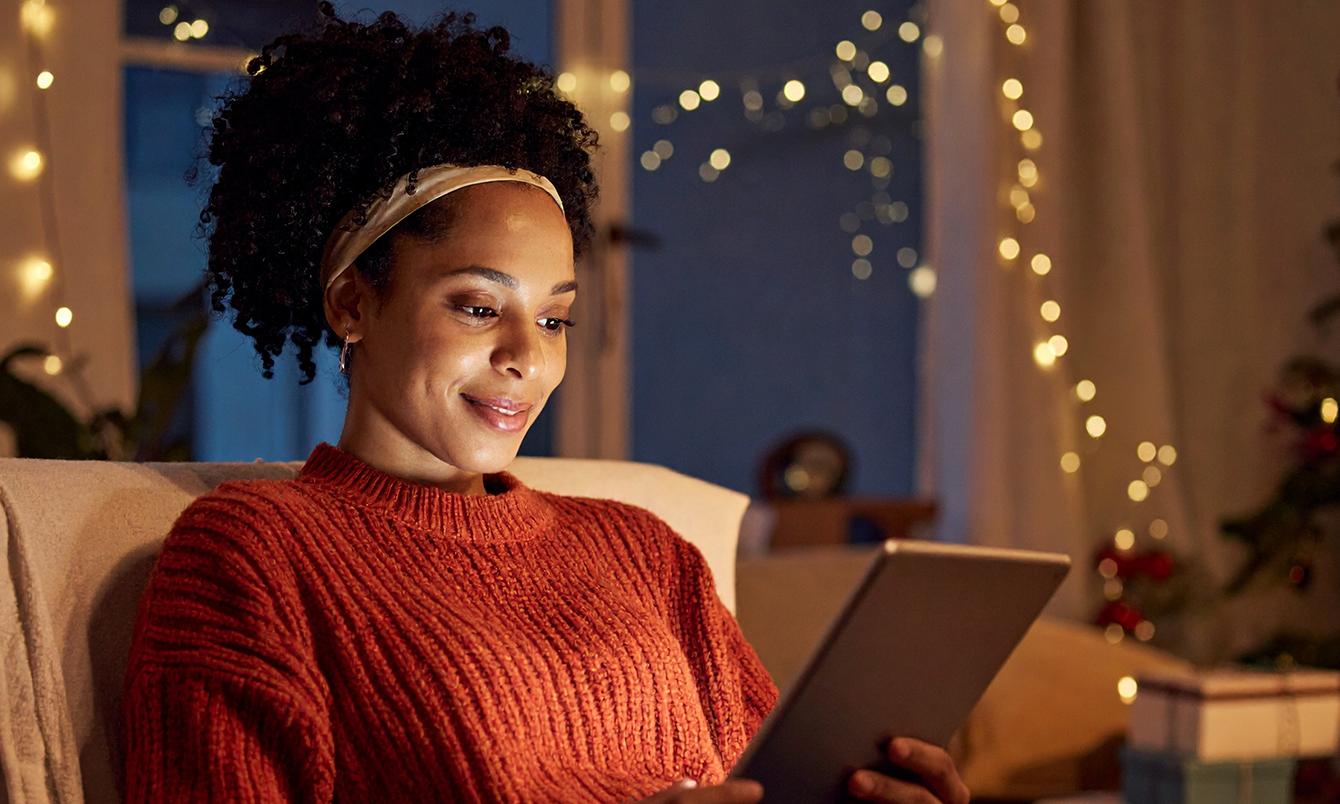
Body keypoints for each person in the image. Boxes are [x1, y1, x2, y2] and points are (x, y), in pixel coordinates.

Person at [122, 6, 970, 804]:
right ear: (352, 304)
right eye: (478, 307)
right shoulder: (251, 556)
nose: (529, 358)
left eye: (557, 318)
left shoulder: (646, 553)